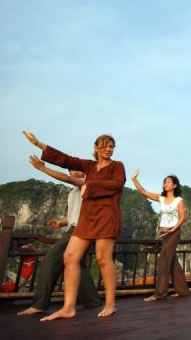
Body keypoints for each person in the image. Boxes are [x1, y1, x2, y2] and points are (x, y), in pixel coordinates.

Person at [22, 131, 126, 321]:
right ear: (96, 148)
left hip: (106, 214)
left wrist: (90, 186)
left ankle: (110, 304)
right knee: (70, 257)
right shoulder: (89, 165)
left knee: (103, 259)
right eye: (104, 145)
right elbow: (66, 159)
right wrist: (38, 144)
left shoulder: (117, 166)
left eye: (111, 146)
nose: (108, 149)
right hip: (87, 217)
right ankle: (69, 307)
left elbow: (117, 185)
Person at [17, 156, 101, 315]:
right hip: (76, 227)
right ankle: (92, 301)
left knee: (51, 259)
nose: (75, 172)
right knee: (78, 265)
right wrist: (61, 223)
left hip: (81, 229)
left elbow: (67, 179)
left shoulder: (88, 184)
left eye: (79, 169)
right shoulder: (72, 193)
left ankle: (40, 304)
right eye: (72, 170)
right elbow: (74, 214)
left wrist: (43, 168)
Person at [131, 170, 190, 301]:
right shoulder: (161, 199)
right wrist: (134, 179)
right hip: (163, 232)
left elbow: (183, 217)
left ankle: (160, 293)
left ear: (175, 185)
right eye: (165, 182)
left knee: (163, 259)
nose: (166, 184)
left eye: (169, 182)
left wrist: (174, 227)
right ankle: (183, 291)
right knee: (172, 261)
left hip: (173, 231)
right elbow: (143, 192)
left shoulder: (179, 200)